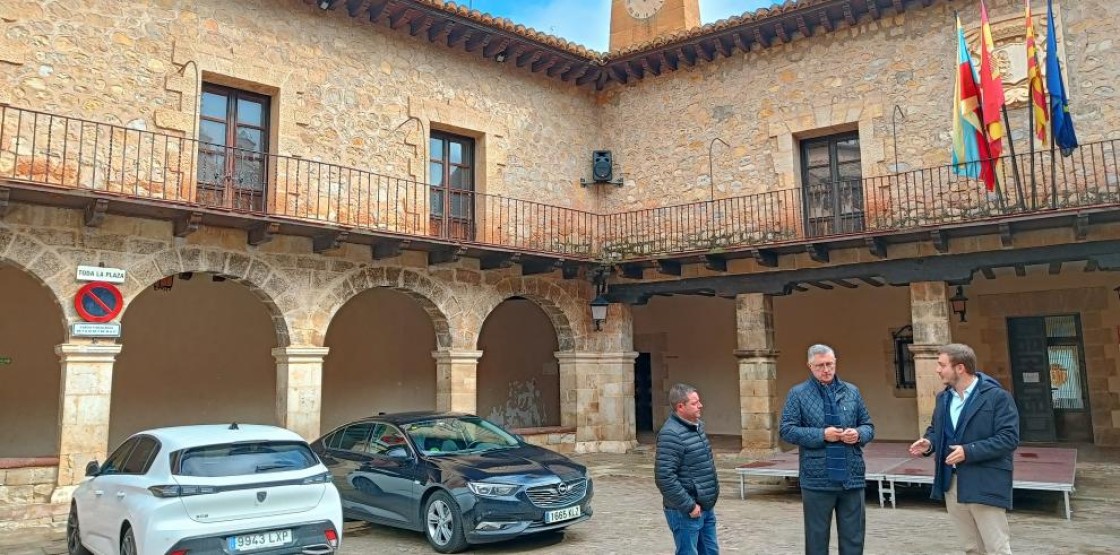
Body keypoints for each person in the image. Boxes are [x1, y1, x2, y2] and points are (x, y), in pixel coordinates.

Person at [908, 343, 1019, 555]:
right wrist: (929, 443)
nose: (938, 370)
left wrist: (969, 451)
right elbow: (936, 429)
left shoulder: (997, 397)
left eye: (942, 365)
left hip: (985, 480)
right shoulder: (943, 398)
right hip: (952, 483)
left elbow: (1009, 438)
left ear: (960, 368)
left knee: (997, 548)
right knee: (972, 549)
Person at [780, 344, 874, 555]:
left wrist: (858, 434)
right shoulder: (798, 394)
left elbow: (869, 426)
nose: (826, 370)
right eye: (820, 365)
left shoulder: (852, 391)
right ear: (810, 366)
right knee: (816, 539)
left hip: (852, 476)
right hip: (817, 479)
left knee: (854, 539)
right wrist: (822, 435)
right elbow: (787, 430)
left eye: (829, 364)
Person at [655, 383, 720, 555]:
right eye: (694, 403)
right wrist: (689, 506)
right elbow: (664, 477)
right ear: (680, 406)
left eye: (699, 401)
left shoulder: (697, 427)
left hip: (705, 506)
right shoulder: (671, 434)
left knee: (711, 551)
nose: (700, 405)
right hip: (685, 511)